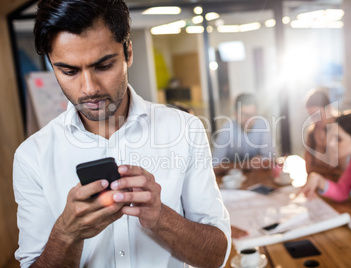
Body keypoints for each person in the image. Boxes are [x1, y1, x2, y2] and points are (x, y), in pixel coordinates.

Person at [13, 1, 231, 267]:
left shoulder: (184, 129)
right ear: (51, 64)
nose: (89, 89)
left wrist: (161, 218)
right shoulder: (31, 157)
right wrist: (67, 234)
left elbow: (216, 256)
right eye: (69, 71)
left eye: (103, 66)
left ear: (128, 52)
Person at [212, 93, 276, 175]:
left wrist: (265, 161)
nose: (248, 119)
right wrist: (246, 165)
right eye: (244, 114)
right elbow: (214, 166)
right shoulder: (226, 129)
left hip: (256, 178)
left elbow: (271, 158)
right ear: (235, 114)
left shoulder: (262, 125)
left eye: (252, 115)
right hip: (231, 181)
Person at [304, 89, 345, 181]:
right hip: (319, 186)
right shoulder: (312, 133)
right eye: (311, 115)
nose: (315, 119)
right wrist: (332, 172)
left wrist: (320, 171)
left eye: (318, 114)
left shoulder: (343, 129)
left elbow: (345, 172)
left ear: (329, 108)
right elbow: (309, 169)